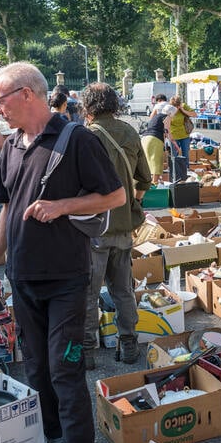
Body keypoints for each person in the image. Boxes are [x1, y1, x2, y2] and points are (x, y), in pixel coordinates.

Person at [0, 62, 124, 443]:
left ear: (26, 94)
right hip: (22, 278)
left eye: (0, 100)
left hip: (66, 278)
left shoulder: (77, 138)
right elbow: (6, 211)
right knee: (37, 370)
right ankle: (56, 439)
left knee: (66, 372)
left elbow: (116, 196)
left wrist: (62, 206)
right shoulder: (11, 145)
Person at [81, 82, 152, 369]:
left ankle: (87, 352)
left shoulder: (83, 136)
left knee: (88, 291)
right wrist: (131, 201)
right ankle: (129, 343)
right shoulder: (129, 132)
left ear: (88, 107)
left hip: (92, 226)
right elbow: (145, 179)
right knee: (123, 290)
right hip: (123, 225)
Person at [140, 96, 174, 185]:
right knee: (157, 162)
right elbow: (167, 132)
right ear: (171, 113)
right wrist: (174, 145)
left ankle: (147, 184)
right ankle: (154, 184)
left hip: (144, 139)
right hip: (154, 139)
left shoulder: (157, 116)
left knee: (147, 162)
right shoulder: (167, 117)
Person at [169, 95, 195, 159]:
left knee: (186, 155)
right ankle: (174, 168)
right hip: (173, 135)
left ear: (180, 104)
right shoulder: (169, 108)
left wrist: (183, 110)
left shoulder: (184, 106)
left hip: (184, 135)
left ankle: (186, 168)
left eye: (177, 106)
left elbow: (194, 114)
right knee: (174, 156)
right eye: (174, 106)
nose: (176, 108)